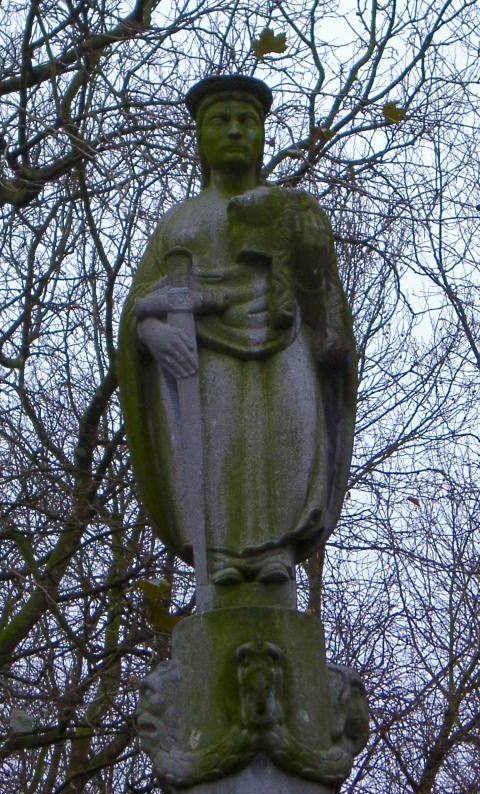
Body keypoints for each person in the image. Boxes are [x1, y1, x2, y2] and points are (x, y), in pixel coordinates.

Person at [117, 75, 357, 589]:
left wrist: (312, 256)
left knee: (283, 445)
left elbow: (325, 306)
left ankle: (276, 551)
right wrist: (153, 334)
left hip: (284, 346)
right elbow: (138, 307)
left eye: (247, 121)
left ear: (262, 134)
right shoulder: (179, 223)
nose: (234, 132)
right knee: (218, 450)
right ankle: (220, 553)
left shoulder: (288, 210)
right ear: (200, 137)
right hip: (205, 358)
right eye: (220, 122)